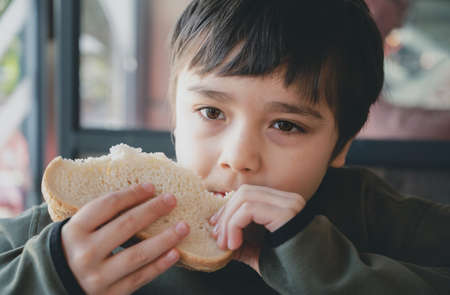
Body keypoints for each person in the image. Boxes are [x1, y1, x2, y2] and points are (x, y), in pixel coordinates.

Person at [1, 0, 449, 294]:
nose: (239, 157)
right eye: (212, 113)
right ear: (176, 115)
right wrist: (53, 275)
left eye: (286, 125)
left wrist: (313, 261)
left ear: (340, 145)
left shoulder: (370, 214)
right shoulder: (90, 224)